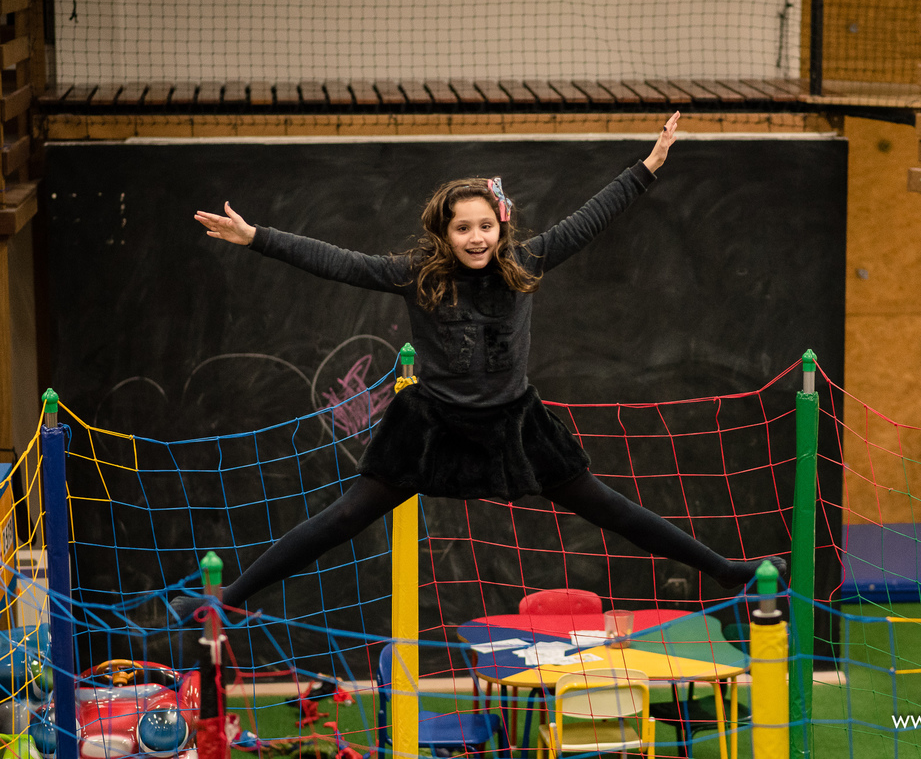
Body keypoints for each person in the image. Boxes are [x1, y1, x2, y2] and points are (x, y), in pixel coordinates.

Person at [174, 113, 784, 620]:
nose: (475, 237)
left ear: (501, 227)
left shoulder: (527, 264)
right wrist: (256, 237)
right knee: (344, 516)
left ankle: (725, 571)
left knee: (608, 507)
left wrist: (646, 168)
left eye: (484, 226)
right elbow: (337, 261)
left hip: (513, 425)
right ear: (445, 234)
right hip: (432, 425)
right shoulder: (416, 275)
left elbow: (590, 219)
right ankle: (233, 596)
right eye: (462, 227)